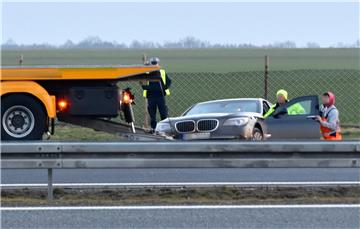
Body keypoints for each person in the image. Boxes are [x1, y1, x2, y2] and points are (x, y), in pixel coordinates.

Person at [141, 57, 172, 131]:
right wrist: (145, 87)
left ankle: (164, 128)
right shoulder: (147, 72)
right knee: (152, 114)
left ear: (158, 63)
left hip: (160, 96)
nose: (154, 64)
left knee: (163, 113)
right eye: (153, 63)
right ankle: (154, 128)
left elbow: (169, 81)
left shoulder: (162, 72)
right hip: (151, 96)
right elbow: (142, 82)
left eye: (155, 63)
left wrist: (164, 88)